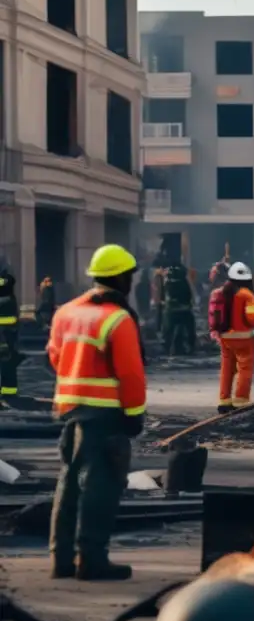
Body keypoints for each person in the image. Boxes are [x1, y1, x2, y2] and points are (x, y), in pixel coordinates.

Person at [47, 244, 147, 581]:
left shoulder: (66, 312)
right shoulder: (117, 318)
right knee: (101, 485)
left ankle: (61, 560)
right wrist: (134, 416)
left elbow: (55, 357)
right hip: (105, 416)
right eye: (129, 276)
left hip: (69, 410)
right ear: (120, 277)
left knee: (69, 482)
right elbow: (130, 373)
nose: (131, 281)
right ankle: (91, 559)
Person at [215, 262, 254, 413]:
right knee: (244, 368)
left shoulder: (221, 293)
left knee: (226, 368)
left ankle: (224, 400)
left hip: (225, 338)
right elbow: (252, 318)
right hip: (244, 338)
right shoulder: (247, 295)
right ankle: (240, 400)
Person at [162, 263, 195, 356]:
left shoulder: (168, 283)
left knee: (168, 330)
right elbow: (189, 296)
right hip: (183, 310)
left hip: (172, 310)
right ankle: (191, 346)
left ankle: (166, 345)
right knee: (190, 329)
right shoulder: (183, 282)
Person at [0, 270, 20, 398]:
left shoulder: (5, 299)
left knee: (7, 361)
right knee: (8, 362)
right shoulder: (9, 299)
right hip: (9, 334)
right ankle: (9, 391)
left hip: (6, 334)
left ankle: (9, 391)